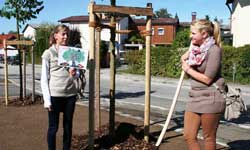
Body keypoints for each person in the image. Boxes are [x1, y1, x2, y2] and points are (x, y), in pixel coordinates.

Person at [181, 19, 226, 150]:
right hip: (195, 96)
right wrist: (184, 59)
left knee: (209, 137)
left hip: (211, 97)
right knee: (188, 135)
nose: (190, 36)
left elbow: (207, 79)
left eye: (193, 33)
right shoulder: (195, 50)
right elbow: (190, 70)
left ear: (204, 34)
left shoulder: (214, 51)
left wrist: (188, 68)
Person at [40, 24, 78, 150]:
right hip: (55, 96)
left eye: (67, 34)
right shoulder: (48, 53)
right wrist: (47, 100)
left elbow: (76, 75)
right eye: (63, 34)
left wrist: (75, 73)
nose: (66, 36)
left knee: (68, 127)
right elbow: (44, 79)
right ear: (56, 36)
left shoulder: (71, 52)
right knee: (53, 128)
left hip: (70, 96)